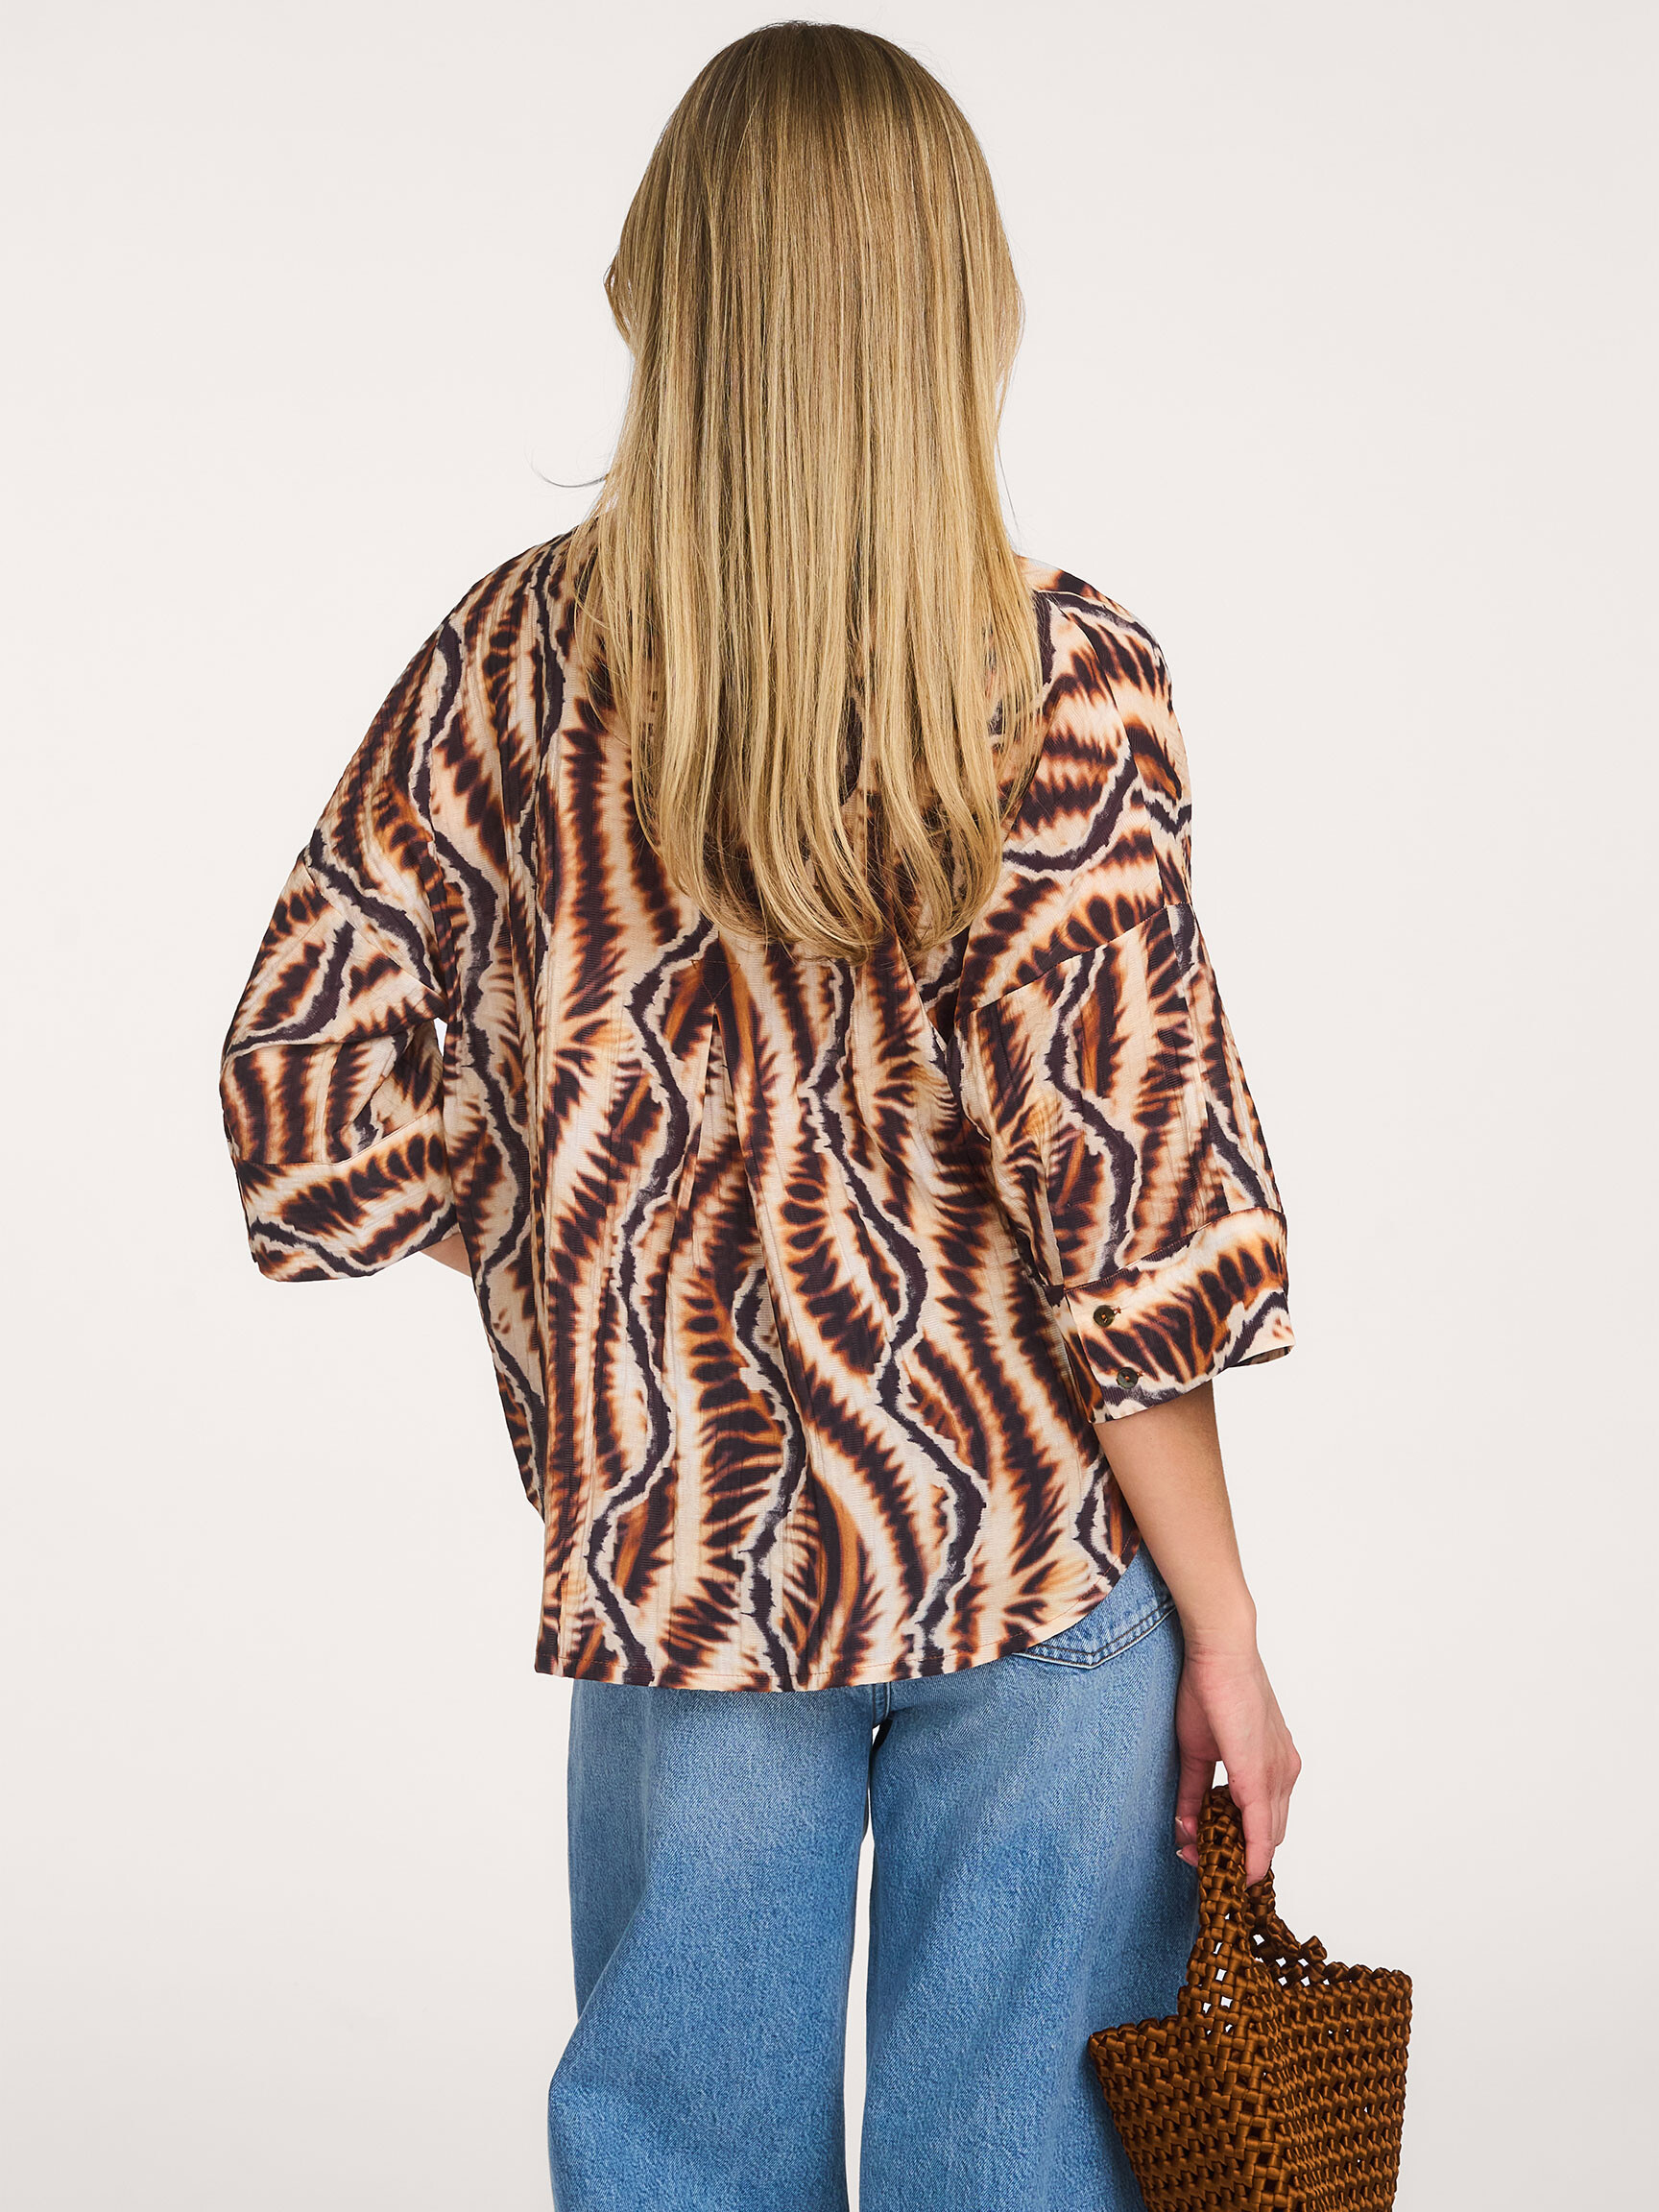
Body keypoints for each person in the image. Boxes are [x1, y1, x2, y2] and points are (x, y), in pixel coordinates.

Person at [216, 22, 1301, 2211]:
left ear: (663, 288)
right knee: (1024, 2167)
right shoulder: (1060, 680)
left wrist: (568, 1217)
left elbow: (307, 1089)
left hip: (679, 1559)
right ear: (963, 301)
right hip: (1035, 1548)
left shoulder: (515, 665)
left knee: (680, 2165)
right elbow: (1137, 1218)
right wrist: (1230, 1634)